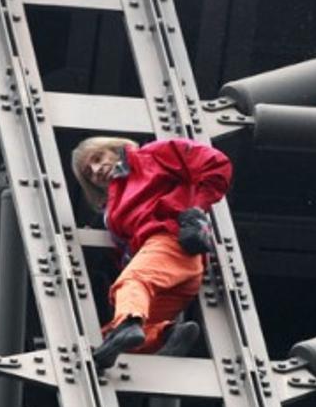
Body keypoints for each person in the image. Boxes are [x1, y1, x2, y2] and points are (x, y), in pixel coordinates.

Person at [71, 136, 232, 369]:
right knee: (111, 334)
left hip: (170, 243)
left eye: (98, 158)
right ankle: (167, 334)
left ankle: (131, 323)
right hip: (171, 272)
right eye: (89, 172)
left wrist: (196, 210)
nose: (96, 171)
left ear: (114, 148)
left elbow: (215, 163)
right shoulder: (114, 206)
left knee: (132, 284)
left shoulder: (150, 156)